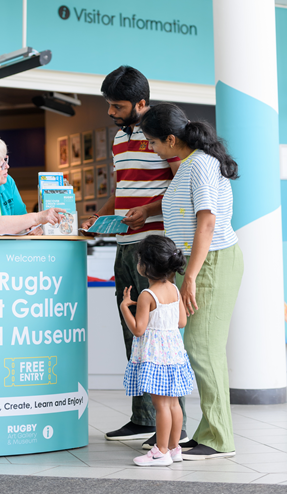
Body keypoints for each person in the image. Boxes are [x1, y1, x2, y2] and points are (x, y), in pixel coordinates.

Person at [81, 66, 189, 444]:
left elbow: (182, 185)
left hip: (155, 244)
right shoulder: (118, 141)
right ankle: (144, 418)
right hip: (124, 244)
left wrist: (148, 211)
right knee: (135, 332)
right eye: (108, 105)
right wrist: (104, 216)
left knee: (160, 337)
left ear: (141, 103)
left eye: (118, 106)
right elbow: (123, 187)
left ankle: (173, 427)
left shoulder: (163, 135)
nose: (111, 112)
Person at [141, 103, 244, 460]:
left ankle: (218, 438)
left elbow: (207, 223)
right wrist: (148, 210)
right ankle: (210, 431)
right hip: (200, 263)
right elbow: (186, 209)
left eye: (153, 143)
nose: (152, 150)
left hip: (212, 262)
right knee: (198, 349)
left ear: (171, 139)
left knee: (202, 349)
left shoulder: (199, 164)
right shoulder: (190, 165)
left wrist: (191, 278)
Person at [121, 236, 194, 467]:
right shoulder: (173, 288)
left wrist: (125, 308)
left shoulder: (146, 295)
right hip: (174, 355)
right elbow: (181, 321)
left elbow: (138, 329)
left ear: (145, 267)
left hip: (155, 358)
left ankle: (160, 452)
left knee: (160, 406)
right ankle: (174, 448)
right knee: (173, 404)